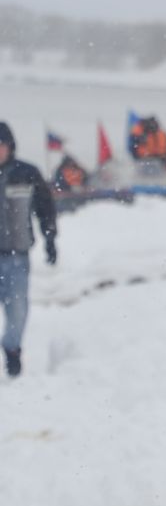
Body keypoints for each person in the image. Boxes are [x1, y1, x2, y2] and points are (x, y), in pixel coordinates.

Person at [0, 123, 58, 378]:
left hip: (16, 257)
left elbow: (45, 208)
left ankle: (12, 350)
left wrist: (50, 239)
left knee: (18, 311)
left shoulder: (26, 173)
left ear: (10, 147)